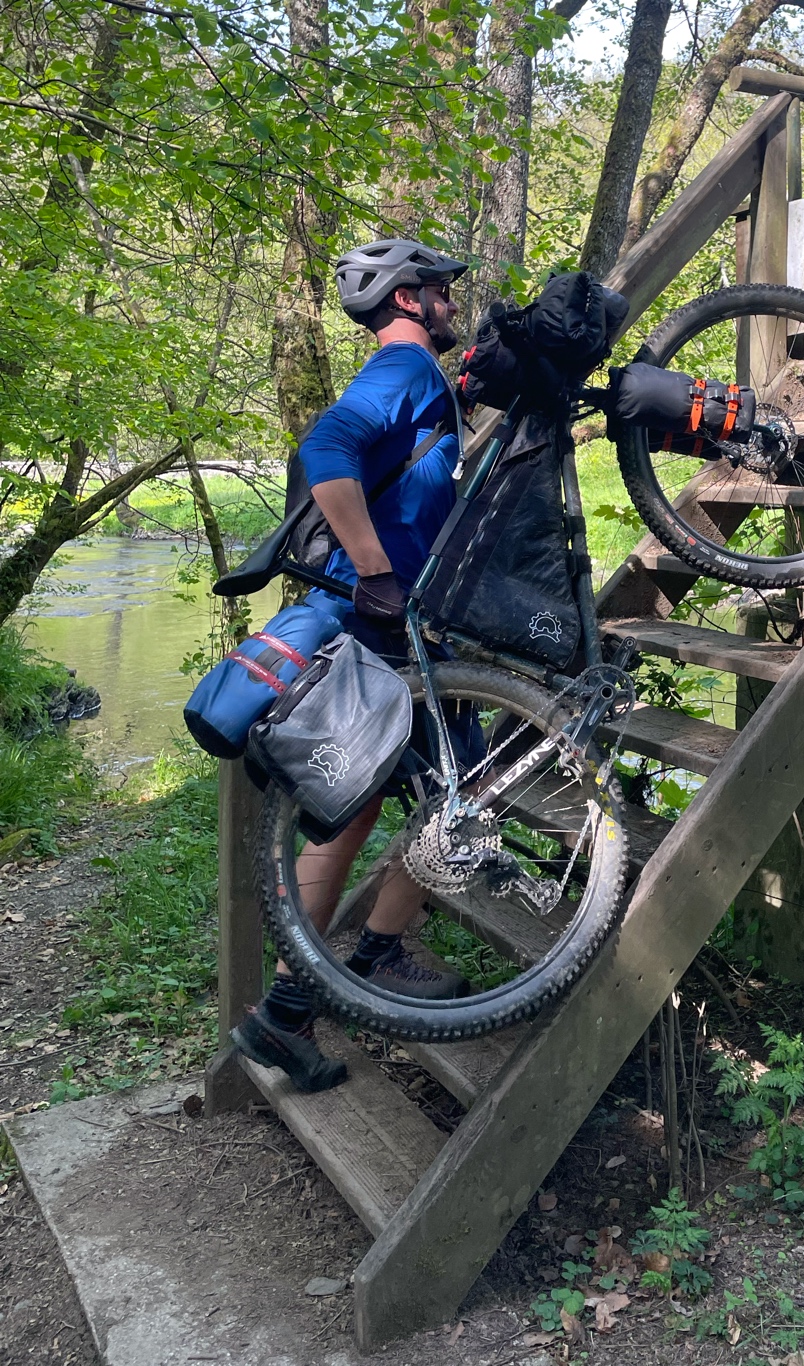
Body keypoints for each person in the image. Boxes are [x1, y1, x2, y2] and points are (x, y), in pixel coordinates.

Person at [232, 239, 475, 1093]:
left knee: (355, 807)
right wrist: (375, 569)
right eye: (441, 290)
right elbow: (327, 448)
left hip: (385, 620)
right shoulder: (403, 368)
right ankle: (375, 955)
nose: (452, 303)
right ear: (408, 299)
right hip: (388, 620)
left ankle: (287, 1012)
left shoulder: (420, 378)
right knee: (461, 794)